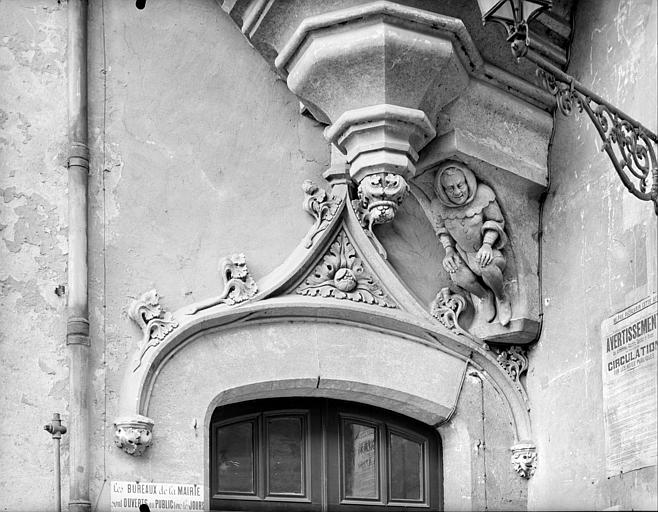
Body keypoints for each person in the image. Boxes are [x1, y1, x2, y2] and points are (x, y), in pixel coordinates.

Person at [432, 161, 511, 326]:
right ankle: (484, 296)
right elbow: (442, 231)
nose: (457, 191)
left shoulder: (483, 194)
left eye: (460, 185)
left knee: (487, 266)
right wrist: (449, 252)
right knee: (456, 273)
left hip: (489, 251)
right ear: (443, 190)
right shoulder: (438, 207)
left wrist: (487, 245)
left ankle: (501, 297)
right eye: (450, 188)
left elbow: (496, 221)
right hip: (465, 254)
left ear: (467, 181)